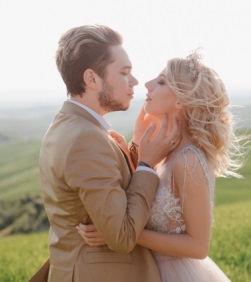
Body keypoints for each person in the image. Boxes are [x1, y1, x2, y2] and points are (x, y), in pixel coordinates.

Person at [76, 49, 251, 281]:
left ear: (181, 99)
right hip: (148, 271)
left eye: (161, 82)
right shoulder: (168, 152)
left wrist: (121, 234)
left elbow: (198, 247)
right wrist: (135, 145)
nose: (147, 84)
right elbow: (143, 193)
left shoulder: (188, 161)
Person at [38, 24, 180, 282]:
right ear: (92, 79)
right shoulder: (85, 139)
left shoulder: (70, 126)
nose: (135, 81)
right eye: (124, 72)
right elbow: (123, 236)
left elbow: (112, 188)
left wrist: (136, 147)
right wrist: (147, 165)